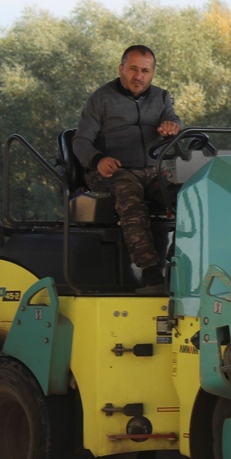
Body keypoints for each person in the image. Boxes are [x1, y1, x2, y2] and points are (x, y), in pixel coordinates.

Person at [72, 45, 182, 289]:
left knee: (190, 195)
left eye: (145, 70)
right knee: (128, 193)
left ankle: (177, 264)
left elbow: (173, 118)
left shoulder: (161, 97)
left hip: (153, 171)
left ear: (152, 73)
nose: (138, 76)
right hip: (114, 172)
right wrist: (98, 160)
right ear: (121, 69)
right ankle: (150, 271)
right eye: (133, 69)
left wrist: (172, 125)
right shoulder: (101, 98)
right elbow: (81, 141)